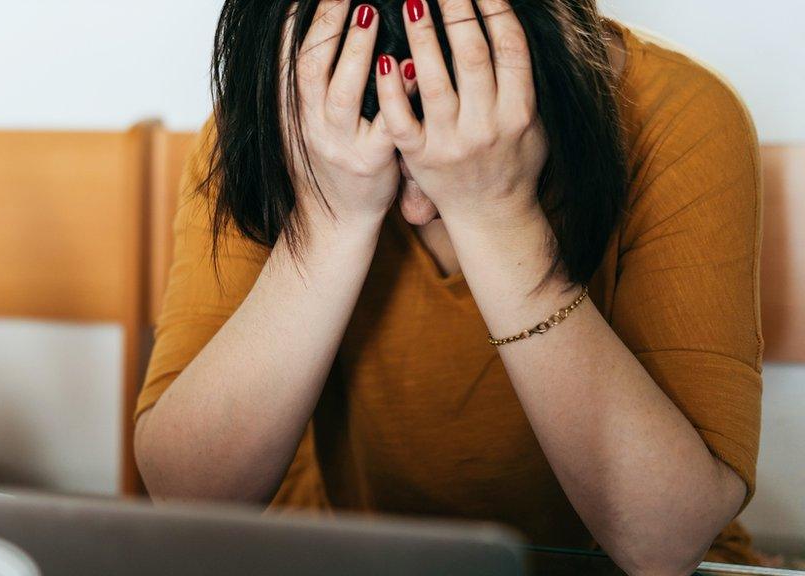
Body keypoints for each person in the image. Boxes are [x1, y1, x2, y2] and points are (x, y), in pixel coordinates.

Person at [135, 0, 764, 573]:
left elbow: (664, 541)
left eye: (457, 118)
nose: (415, 203)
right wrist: (329, 224)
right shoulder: (273, 120)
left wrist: (497, 215)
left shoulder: (679, 112)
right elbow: (187, 491)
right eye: (376, 129)